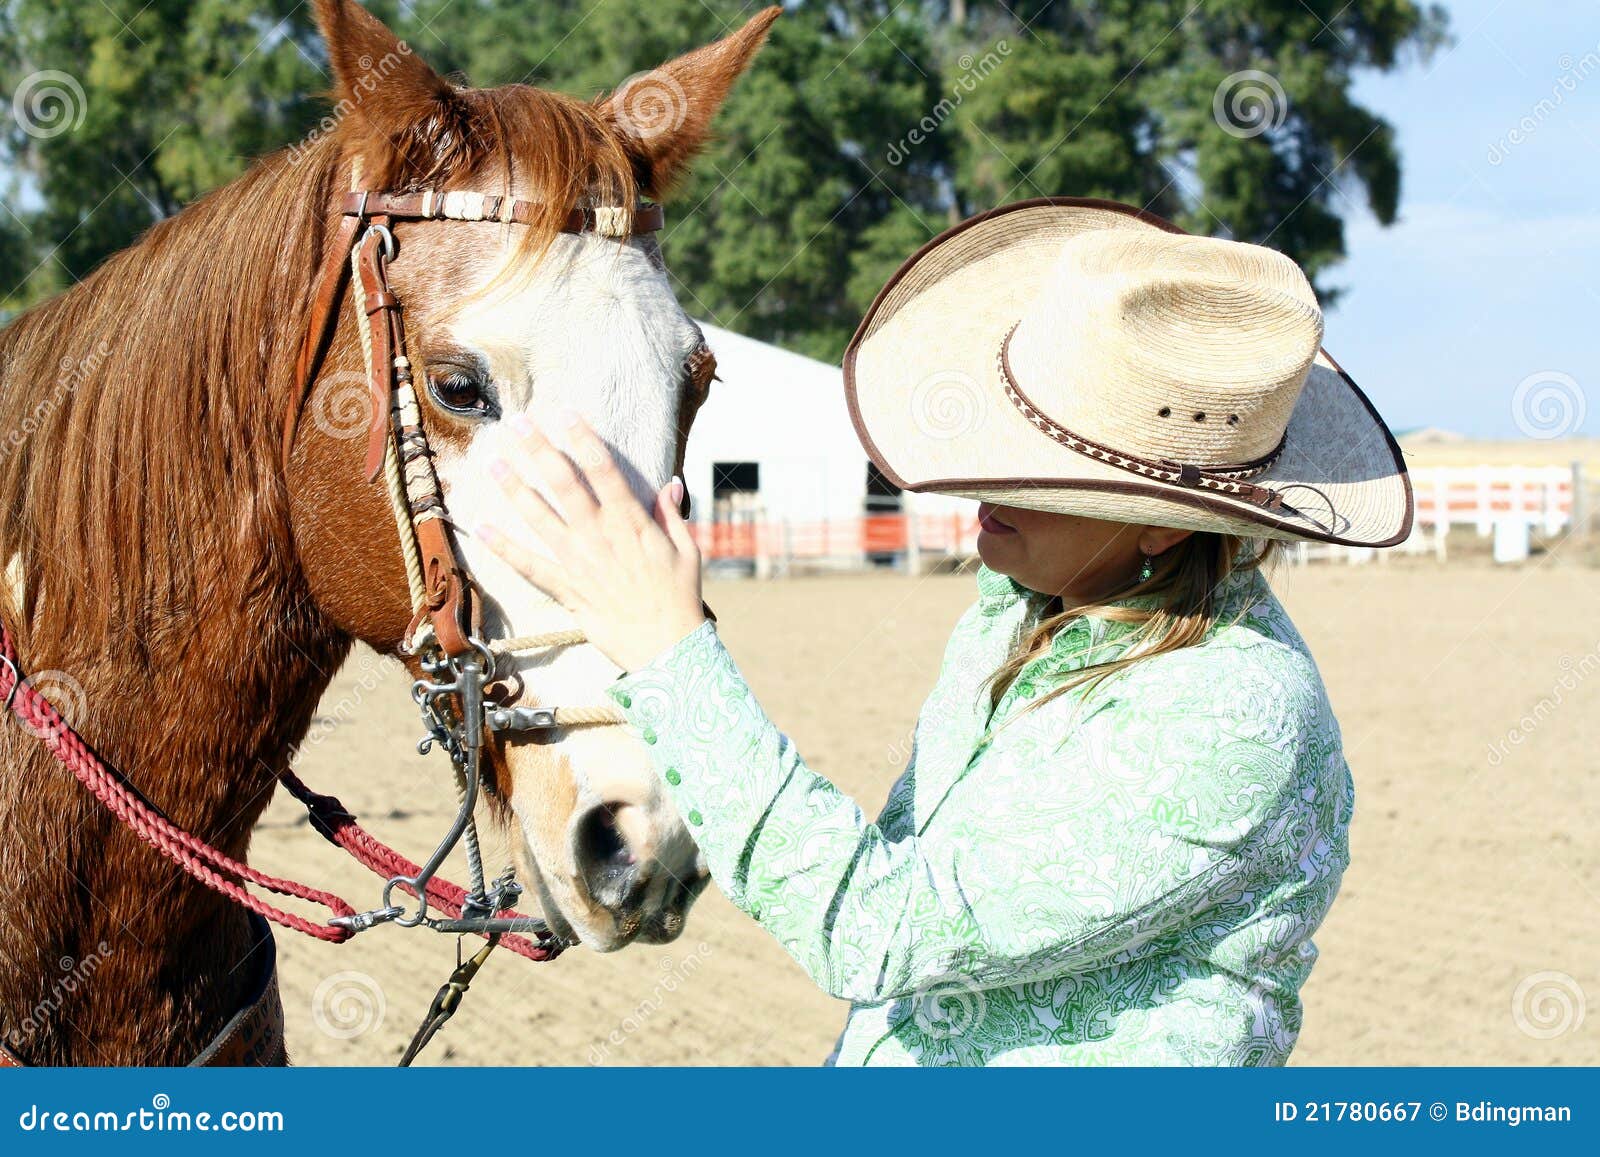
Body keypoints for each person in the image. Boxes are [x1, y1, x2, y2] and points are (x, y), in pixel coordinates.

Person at [477, 198, 1412, 1066]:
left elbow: (883, 930)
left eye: (1038, 472)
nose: (982, 480)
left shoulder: (1237, 711)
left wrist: (666, 646)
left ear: (1166, 522)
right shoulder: (1025, 610)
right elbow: (893, 870)